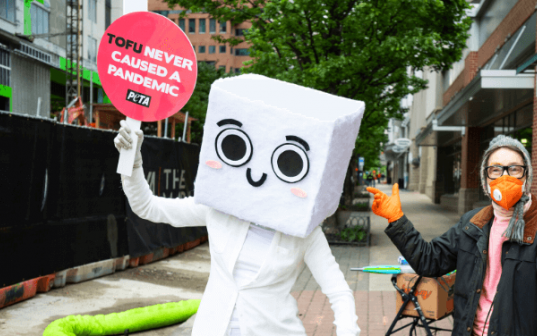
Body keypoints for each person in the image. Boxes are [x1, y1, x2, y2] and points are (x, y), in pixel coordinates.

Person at [115, 75, 361, 336]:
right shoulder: (220, 209)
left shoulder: (303, 229)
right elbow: (148, 207)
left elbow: (339, 292)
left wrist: (347, 331)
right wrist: (132, 161)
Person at [367, 135, 537, 336]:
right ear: (486, 180)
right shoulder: (472, 224)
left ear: (526, 177)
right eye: (496, 169)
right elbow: (430, 261)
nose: (505, 176)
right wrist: (397, 220)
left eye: (514, 169)